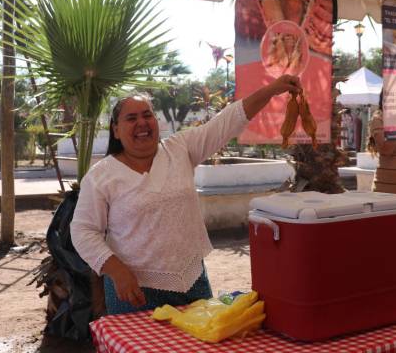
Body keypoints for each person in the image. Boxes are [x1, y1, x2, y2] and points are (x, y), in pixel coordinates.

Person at [71, 74, 303, 315]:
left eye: (147, 115)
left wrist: (271, 90)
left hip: (193, 281)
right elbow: (82, 230)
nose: (142, 123)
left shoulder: (180, 148)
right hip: (133, 291)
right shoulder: (101, 176)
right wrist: (116, 270)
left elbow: (227, 121)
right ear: (116, 130)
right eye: (131, 118)